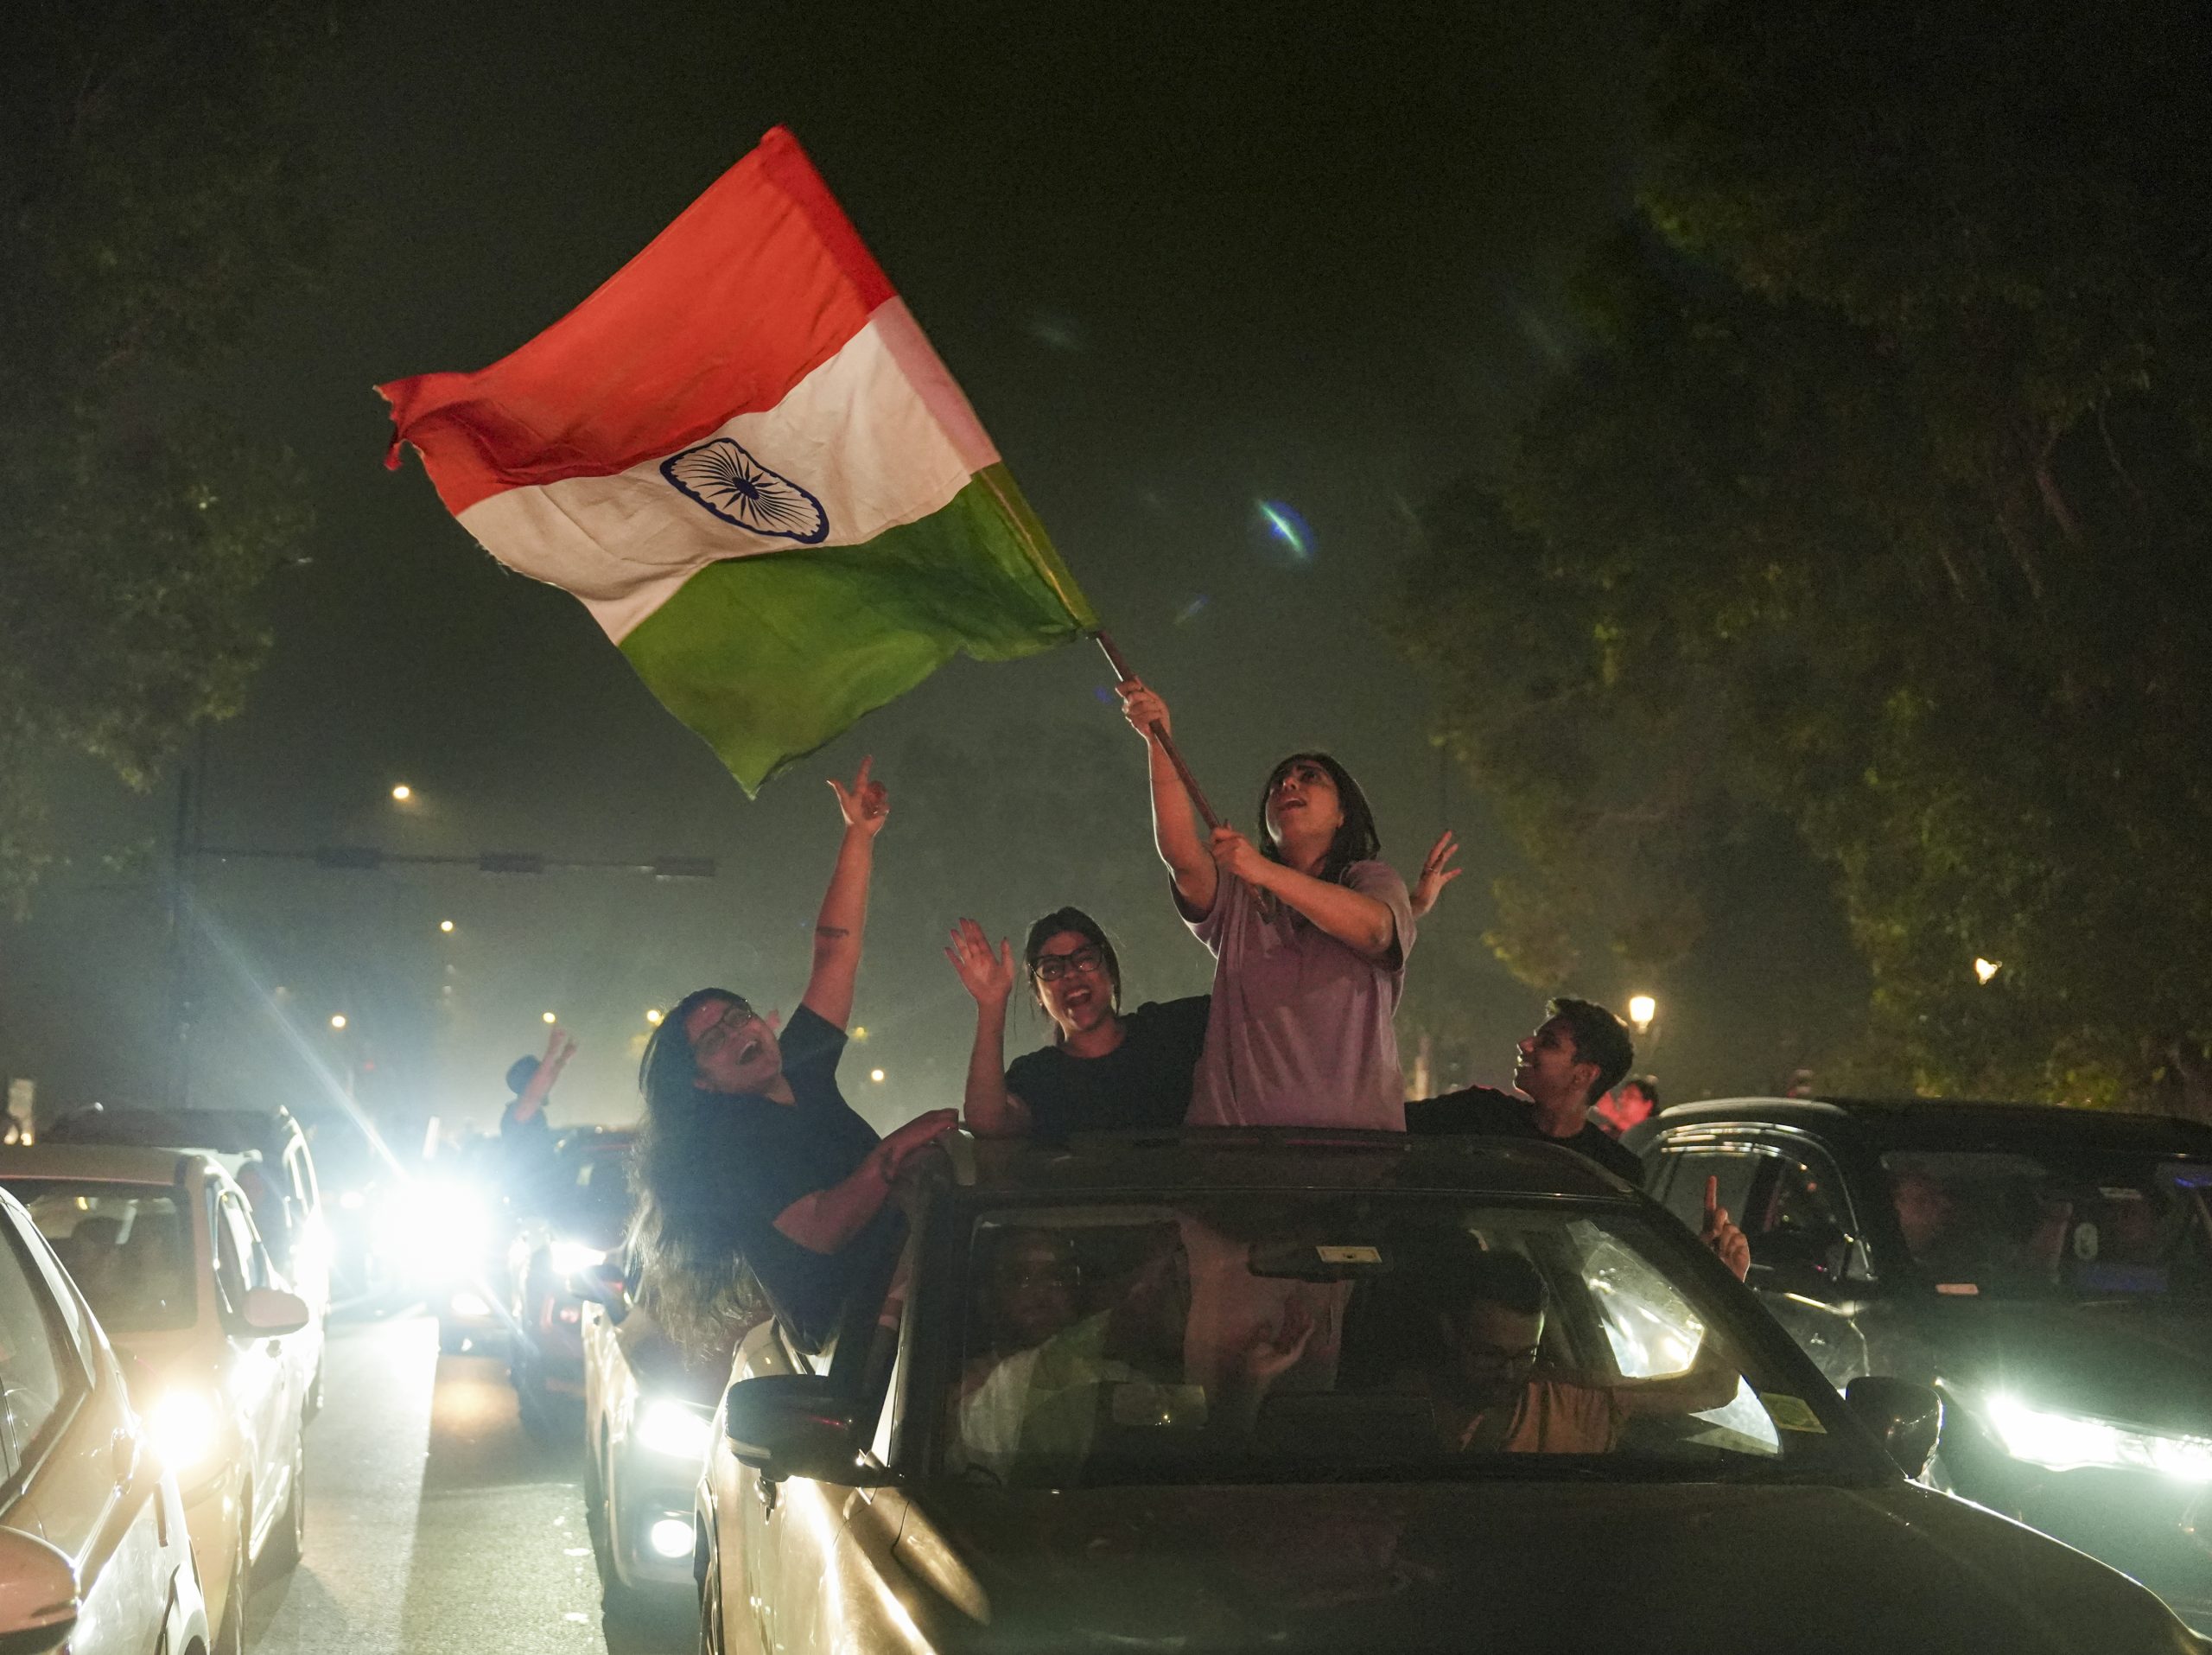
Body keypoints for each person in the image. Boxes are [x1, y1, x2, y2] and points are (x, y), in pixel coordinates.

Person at [632, 760, 958, 1354]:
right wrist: (896, 1148)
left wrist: (859, 836)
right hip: (850, 1333)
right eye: (715, 1041)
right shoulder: (731, 1145)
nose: (738, 1033)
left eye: (739, 1016)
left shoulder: (800, 1065)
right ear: (702, 1082)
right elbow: (823, 1228)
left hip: (913, 1274)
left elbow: (835, 955)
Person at [1118, 679, 1416, 1130]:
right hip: (1235, 1157)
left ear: (1342, 814)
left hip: (1354, 1158)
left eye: (1308, 777)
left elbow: (1375, 931)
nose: (1288, 783)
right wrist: (1159, 741)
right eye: (1278, 783)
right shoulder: (1239, 895)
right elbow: (1181, 853)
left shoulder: (1370, 880)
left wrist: (1263, 871)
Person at [1403, 1244, 1741, 1454]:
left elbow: (1710, 1387)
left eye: (1525, 1356)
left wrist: (1723, 1287)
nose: (1508, 1374)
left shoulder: (1567, 1401)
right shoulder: (1396, 1409)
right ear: (1450, 1331)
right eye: (1489, 1355)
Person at [945, 908, 1211, 1143]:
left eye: (1084, 958)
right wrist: (992, 1005)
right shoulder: (1039, 1076)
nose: (1071, 973)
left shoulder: (1169, 1030)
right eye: (1051, 969)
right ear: (1039, 995)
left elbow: (1249, 1006)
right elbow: (988, 1122)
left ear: (1109, 969)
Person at [499, 1026, 574, 1209]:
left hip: (537, 1193)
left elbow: (542, 1084)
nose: (546, 1078)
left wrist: (562, 1058)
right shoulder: (518, 1113)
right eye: (541, 1073)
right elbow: (536, 1090)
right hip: (528, 1198)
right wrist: (552, 1052)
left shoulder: (525, 1111)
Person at [1591, 1074, 1659, 1139]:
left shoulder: (1655, 1133)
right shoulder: (1609, 1131)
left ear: (1648, 1105)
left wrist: (1611, 1112)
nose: (1621, 1100)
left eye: (1630, 1096)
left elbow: (1639, 1139)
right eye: (1622, 1096)